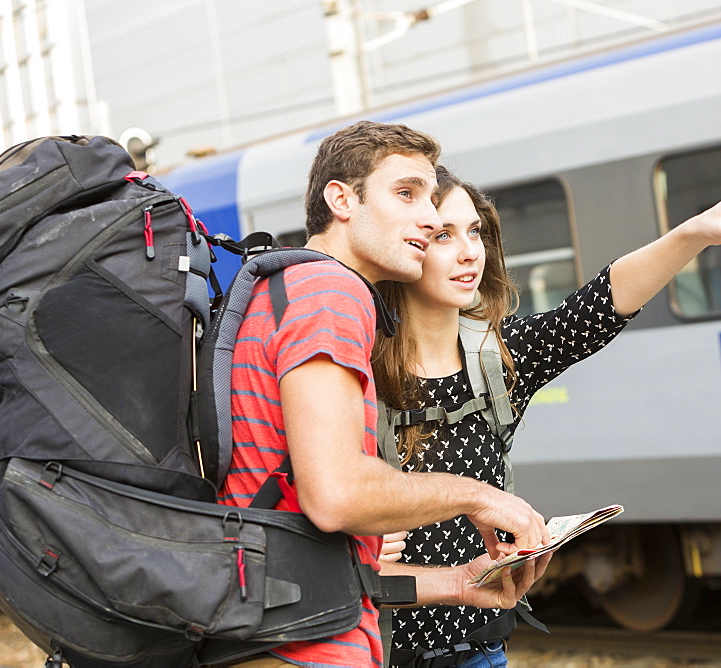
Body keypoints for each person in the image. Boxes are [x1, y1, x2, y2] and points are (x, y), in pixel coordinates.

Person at [374, 162, 721, 666]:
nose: (470, 252)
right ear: (407, 247)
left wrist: (696, 232)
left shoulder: (499, 361)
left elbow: (598, 307)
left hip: (477, 651)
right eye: (442, 236)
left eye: (475, 232)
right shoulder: (356, 369)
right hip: (372, 653)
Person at [217, 121, 552, 668]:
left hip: (284, 624)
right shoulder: (331, 292)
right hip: (307, 646)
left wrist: (456, 581)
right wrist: (480, 496)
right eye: (405, 193)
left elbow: (305, 513)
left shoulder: (282, 286)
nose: (427, 215)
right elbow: (337, 494)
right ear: (341, 199)